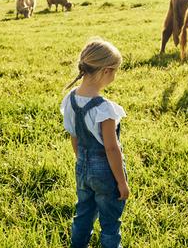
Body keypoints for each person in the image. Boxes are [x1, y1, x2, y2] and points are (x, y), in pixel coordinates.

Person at [60, 39, 130, 248]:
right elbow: (111, 148)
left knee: (83, 213)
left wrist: (82, 161)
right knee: (110, 222)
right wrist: (121, 182)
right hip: (105, 173)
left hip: (82, 167)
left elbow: (74, 136)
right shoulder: (104, 109)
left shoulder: (70, 100)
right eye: (115, 71)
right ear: (106, 71)